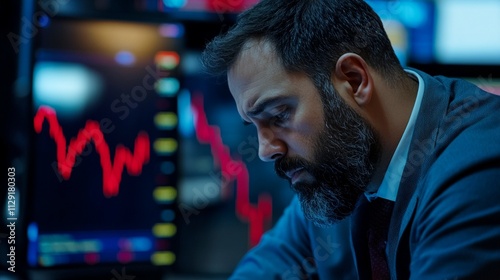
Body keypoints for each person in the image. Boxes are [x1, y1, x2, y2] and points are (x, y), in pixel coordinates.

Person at [201, 0, 500, 279]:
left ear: (353, 80)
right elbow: (267, 267)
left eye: (279, 115)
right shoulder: (343, 165)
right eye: (252, 125)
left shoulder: (479, 166)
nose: (265, 151)